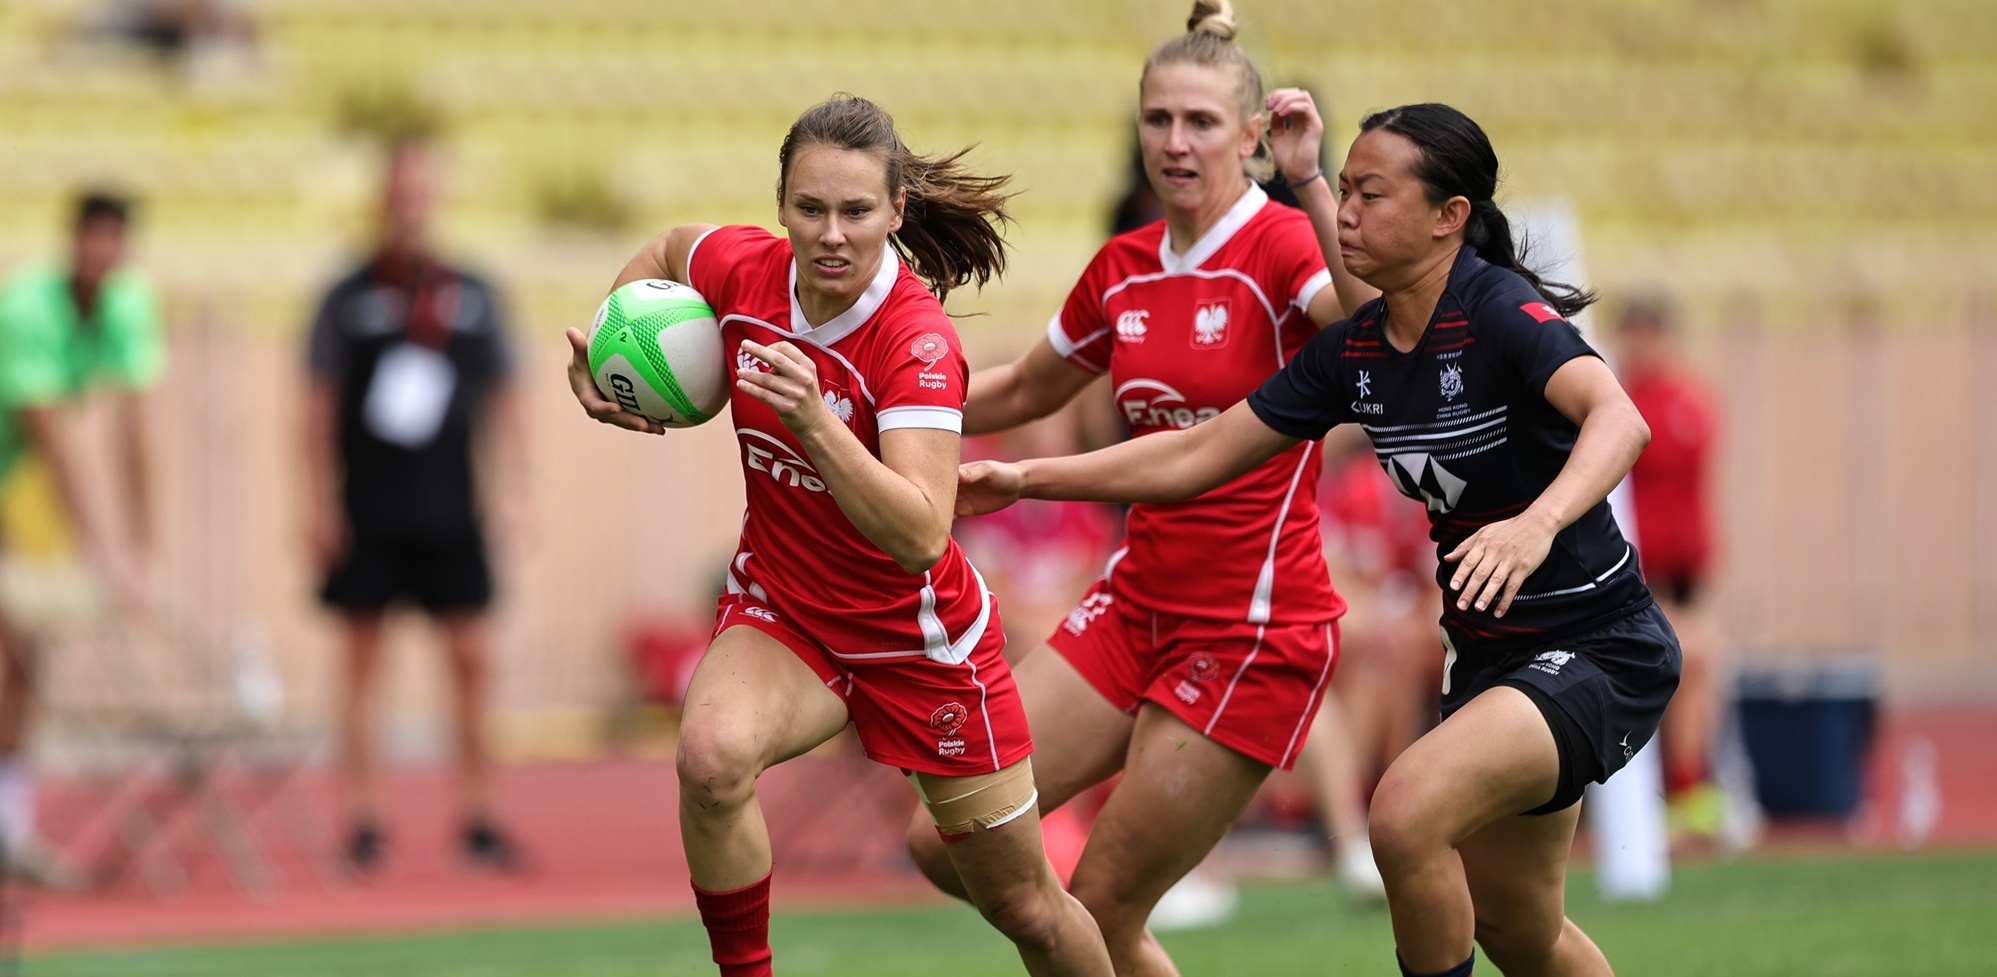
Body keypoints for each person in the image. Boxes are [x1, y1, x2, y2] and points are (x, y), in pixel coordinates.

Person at [956, 99, 1681, 977]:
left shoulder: (1494, 310)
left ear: (1450, 216)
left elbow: (1618, 418)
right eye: (1340, 191)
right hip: (1489, 654)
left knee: (1404, 811)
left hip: (1597, 645)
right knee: (1520, 931)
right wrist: (1023, 478)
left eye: (1371, 194)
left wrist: (1536, 523)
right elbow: (1195, 453)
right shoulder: (1355, 353)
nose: (1344, 212)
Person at [564, 93, 1114, 977]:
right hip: (787, 607)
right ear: (780, 205)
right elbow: (670, 251)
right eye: (809, 208)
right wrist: (608, 351)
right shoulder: (743, 272)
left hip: (918, 641)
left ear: (895, 211)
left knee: (1026, 907)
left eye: (856, 211)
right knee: (710, 759)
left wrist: (817, 423)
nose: (831, 233)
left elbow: (921, 533)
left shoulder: (915, 342)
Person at [901, 2, 1374, 970]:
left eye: (1201, 121)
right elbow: (1029, 386)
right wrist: (882, 401)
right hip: (1134, 602)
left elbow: (1374, 333)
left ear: (1251, 135)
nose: (1175, 140)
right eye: (1157, 119)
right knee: (947, 839)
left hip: (1249, 625)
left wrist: (1312, 184)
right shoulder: (1122, 266)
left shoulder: (1281, 247)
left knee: (1097, 908)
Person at [303, 137, 528, 875]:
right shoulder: (347, 295)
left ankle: (479, 815)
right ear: (381, 201)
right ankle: (363, 819)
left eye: (420, 196)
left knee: (470, 659)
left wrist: (513, 487)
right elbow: (314, 403)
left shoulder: (474, 293)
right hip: (367, 509)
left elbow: (506, 394)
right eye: (398, 196)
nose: (409, 209)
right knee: (363, 663)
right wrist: (315, 504)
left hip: (451, 510)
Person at [0, 191, 164, 888]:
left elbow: (135, 431)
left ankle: (10, 827)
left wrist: (143, 544)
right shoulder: (26, 308)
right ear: (73, 240)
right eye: (91, 238)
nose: (101, 254)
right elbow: (48, 432)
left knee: (22, 650)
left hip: (17, 479)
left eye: (113, 241)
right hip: (24, 472)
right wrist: (98, 543)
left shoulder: (127, 306)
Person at [1615, 297, 1724, 842]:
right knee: (1690, 654)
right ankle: (1679, 791)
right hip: (1626, 581)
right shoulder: (1615, 400)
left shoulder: (1682, 403)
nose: (1638, 348)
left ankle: (1686, 791)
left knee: (1697, 654)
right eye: (1630, 336)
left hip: (1669, 582)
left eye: (1646, 335)